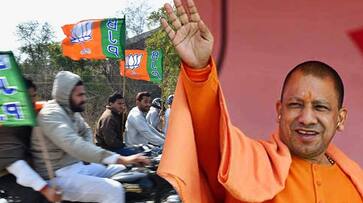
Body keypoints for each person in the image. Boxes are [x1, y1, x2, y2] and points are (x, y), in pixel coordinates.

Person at [157, 0, 363, 203]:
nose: (307, 118)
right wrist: (199, 71)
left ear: (340, 118)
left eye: (320, 107)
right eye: (295, 105)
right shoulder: (250, 166)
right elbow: (212, 137)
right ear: (279, 111)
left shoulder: (355, 181)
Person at [31, 71, 150, 203]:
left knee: (121, 171)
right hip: (57, 175)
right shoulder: (51, 115)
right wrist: (123, 159)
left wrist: (88, 154)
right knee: (113, 189)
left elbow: (86, 130)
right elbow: (74, 145)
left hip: (76, 166)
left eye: (84, 94)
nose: (84, 99)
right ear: (66, 95)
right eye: (79, 95)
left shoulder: (71, 111)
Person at [0, 78, 61, 203]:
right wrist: (44, 189)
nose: (32, 101)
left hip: (38, 166)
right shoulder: (6, 123)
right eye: (27, 97)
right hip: (7, 173)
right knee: (36, 197)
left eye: (33, 96)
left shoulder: (40, 112)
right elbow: (15, 164)